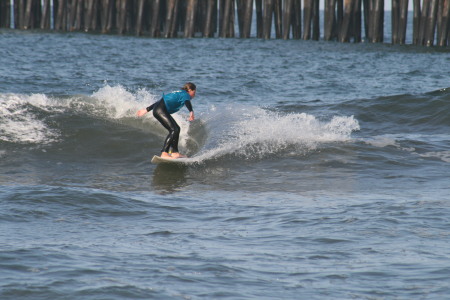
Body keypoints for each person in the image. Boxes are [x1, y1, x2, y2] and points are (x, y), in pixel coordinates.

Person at [137, 82, 196, 159]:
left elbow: (161, 101)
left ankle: (175, 153)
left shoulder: (179, 93)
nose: (194, 95)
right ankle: (164, 153)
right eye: (194, 92)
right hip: (161, 110)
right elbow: (187, 102)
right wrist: (191, 111)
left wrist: (147, 109)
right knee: (174, 130)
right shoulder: (185, 94)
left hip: (159, 109)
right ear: (190, 90)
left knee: (176, 129)